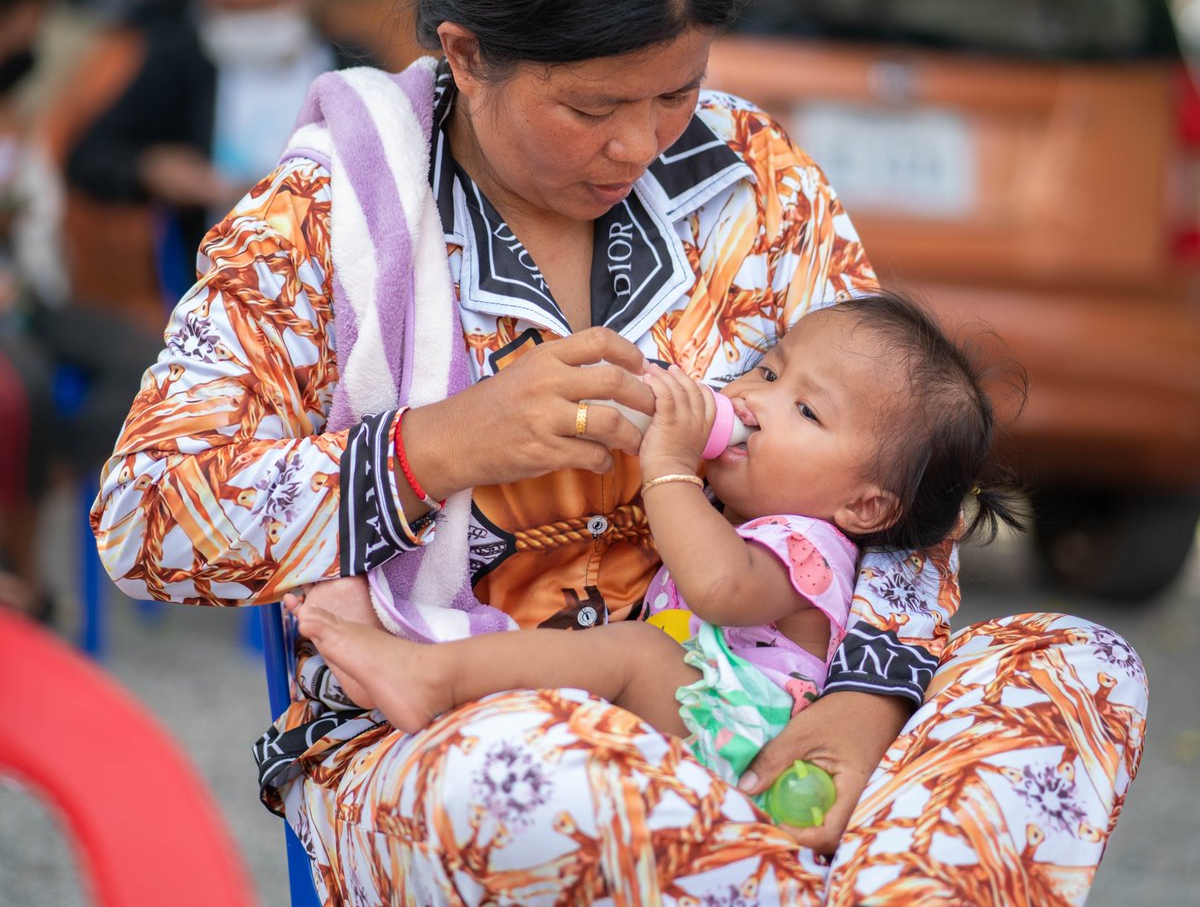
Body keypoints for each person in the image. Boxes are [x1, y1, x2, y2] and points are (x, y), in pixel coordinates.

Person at [92, 0, 1146, 905]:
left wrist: (858, 707)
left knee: (1077, 671)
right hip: (450, 741)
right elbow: (145, 524)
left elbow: (895, 478)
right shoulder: (329, 211)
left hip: (763, 706)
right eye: (593, 106)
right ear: (466, 52)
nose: (640, 144)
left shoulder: (758, 185)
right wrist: (434, 447)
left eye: (676, 91)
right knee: (558, 779)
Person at [285, 293, 1025, 808]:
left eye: (805, 409)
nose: (755, 400)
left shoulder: (813, 547)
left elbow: (717, 589)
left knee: (634, 652)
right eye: (767, 370)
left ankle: (429, 675)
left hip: (753, 735)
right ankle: (398, 633)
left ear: (865, 506)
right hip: (700, 720)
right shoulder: (749, 518)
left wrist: (668, 462)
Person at [0, 0, 158, 617]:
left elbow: (34, 223)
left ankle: (51, 473)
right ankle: (23, 571)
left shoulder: (18, 112)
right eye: (26, 24)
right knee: (24, 387)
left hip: (31, 295)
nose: (31, 40)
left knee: (144, 353)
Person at [65, 0, 363, 266]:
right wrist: (151, 168)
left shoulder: (351, 66)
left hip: (321, 266)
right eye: (221, 11)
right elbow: (88, 155)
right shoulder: (181, 61)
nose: (234, 26)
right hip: (214, 269)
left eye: (250, 10)